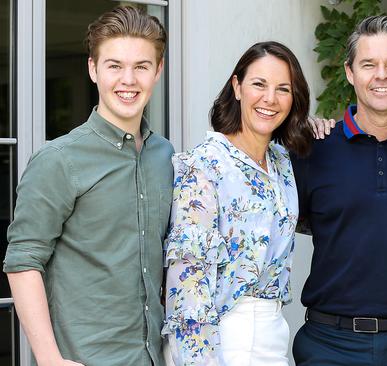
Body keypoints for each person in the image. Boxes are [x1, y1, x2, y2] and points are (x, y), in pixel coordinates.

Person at [3, 5, 172, 365]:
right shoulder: (59, 160)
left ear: (157, 71)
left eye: (141, 66)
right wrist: (50, 359)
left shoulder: (165, 156)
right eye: (114, 66)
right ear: (93, 69)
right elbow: (23, 263)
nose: (128, 80)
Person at [291, 15, 387, 365]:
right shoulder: (312, 150)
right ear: (350, 72)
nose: (381, 75)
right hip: (327, 346)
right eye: (368, 64)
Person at [162, 41, 312, 365]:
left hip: (274, 333)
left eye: (282, 89)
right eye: (259, 84)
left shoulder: (283, 163)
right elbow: (187, 280)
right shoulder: (203, 166)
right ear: (237, 86)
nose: (270, 99)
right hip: (224, 336)